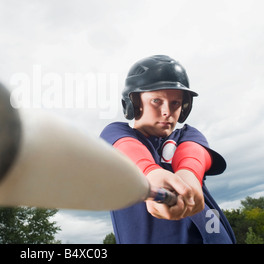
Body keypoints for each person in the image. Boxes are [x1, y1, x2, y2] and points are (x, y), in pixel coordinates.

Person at [100, 55, 236, 244]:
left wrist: (188, 175)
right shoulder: (116, 133)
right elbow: (125, 149)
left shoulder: (188, 135)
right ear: (134, 103)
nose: (167, 112)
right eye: (157, 101)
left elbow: (193, 154)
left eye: (176, 103)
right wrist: (150, 173)